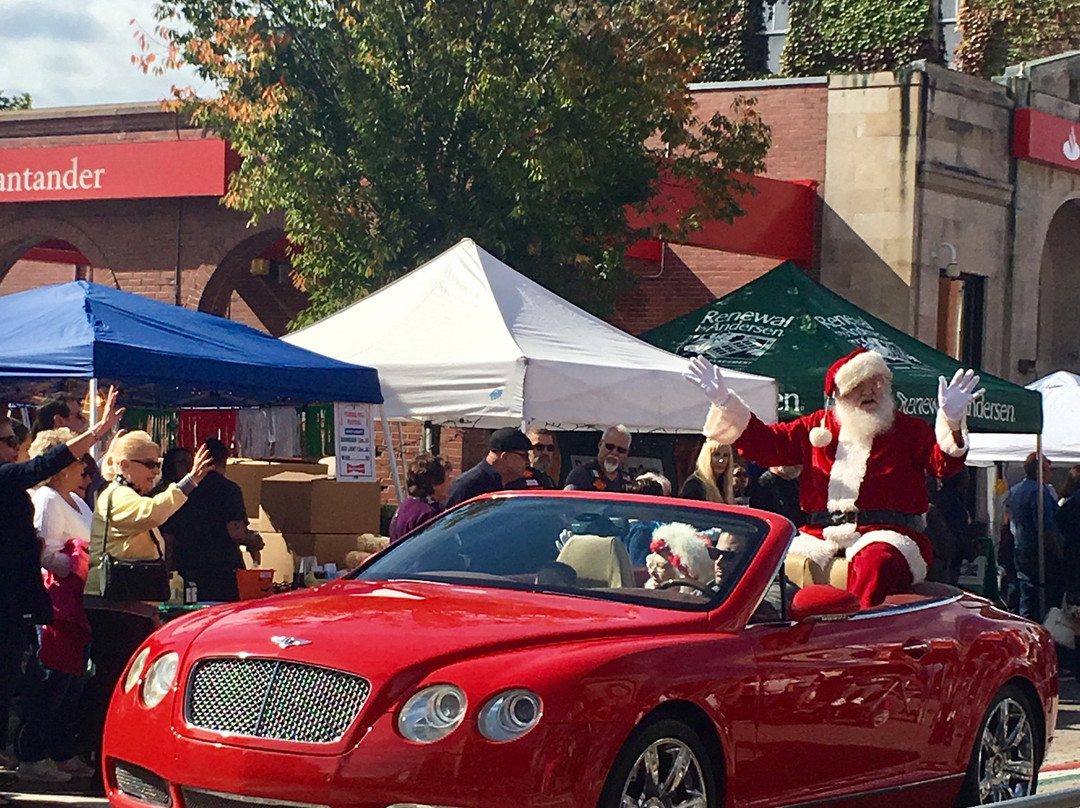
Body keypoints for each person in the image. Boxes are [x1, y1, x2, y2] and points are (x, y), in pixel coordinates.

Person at [685, 348, 980, 607]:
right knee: (769, 566)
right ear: (838, 395)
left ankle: (857, 641)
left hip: (889, 532)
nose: (869, 391)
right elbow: (766, 443)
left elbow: (944, 464)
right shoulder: (816, 427)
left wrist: (951, 420)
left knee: (877, 564)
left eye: (875, 383)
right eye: (858, 385)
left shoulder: (908, 430)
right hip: (819, 535)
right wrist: (725, 401)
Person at [0, 388, 122, 787]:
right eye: (8, 440)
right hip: (26, 598)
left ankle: (48, 750)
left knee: (39, 684)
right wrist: (97, 431)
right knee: (36, 684)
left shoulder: (24, 489)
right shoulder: (13, 482)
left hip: (26, 599)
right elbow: (46, 464)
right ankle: (28, 754)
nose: (17, 446)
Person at [81, 431, 213, 771]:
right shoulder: (118, 496)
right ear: (124, 465)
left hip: (127, 607)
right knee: (112, 685)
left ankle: (102, 755)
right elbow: (152, 513)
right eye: (150, 464)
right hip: (114, 608)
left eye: (157, 463)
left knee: (116, 682)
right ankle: (100, 756)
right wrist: (188, 482)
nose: (155, 471)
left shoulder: (123, 494)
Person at [15, 429, 96, 782]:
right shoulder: (46, 498)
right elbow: (43, 551)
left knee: (73, 680)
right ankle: (33, 753)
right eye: (76, 459)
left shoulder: (76, 500)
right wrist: (69, 562)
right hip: (57, 603)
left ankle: (62, 751)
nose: (83, 467)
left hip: (79, 600)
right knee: (52, 679)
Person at [166, 438, 251, 602]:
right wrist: (253, 541)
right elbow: (235, 531)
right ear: (224, 461)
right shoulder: (228, 489)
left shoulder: (183, 490)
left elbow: (169, 535)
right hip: (222, 572)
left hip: (186, 570)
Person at [1006, 452, 1062, 621]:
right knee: (1041, 600)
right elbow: (1045, 528)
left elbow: (1007, 520)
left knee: (1026, 595)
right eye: (1048, 467)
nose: (1051, 471)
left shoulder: (1015, 490)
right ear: (1040, 470)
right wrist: (1058, 552)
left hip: (1019, 549)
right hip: (1038, 553)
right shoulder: (1039, 492)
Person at [444, 427, 532, 508]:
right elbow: (450, 522)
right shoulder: (468, 485)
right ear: (505, 457)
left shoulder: (518, 484)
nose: (528, 461)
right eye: (524, 456)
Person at [388, 453, 453, 542]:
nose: (450, 484)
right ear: (435, 483)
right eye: (448, 479)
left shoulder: (406, 505)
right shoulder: (427, 514)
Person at [564, 425, 634, 492]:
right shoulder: (581, 475)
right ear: (600, 444)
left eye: (621, 450)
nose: (614, 452)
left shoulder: (629, 482)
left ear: (627, 453)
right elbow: (567, 501)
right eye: (610, 446)